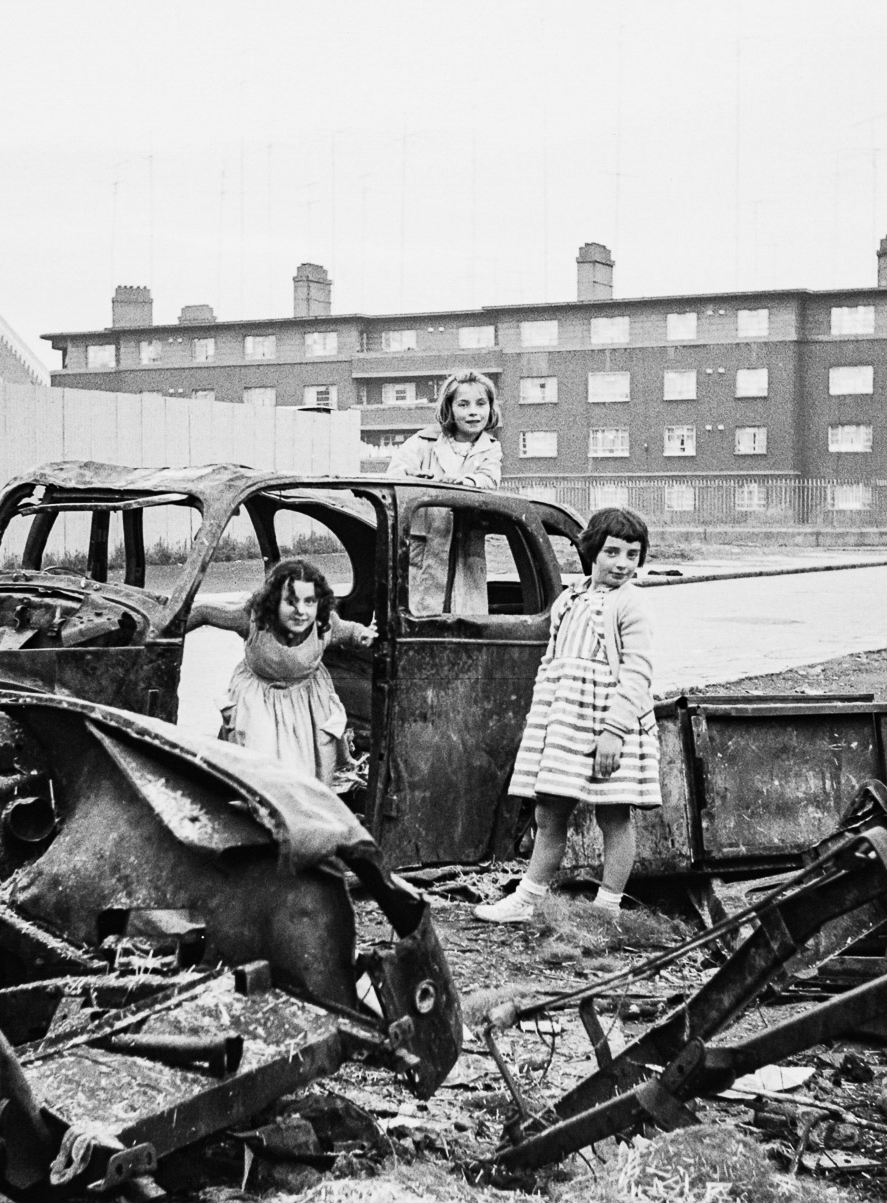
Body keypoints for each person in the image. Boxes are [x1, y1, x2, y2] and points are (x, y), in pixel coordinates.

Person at [476, 507, 658, 922]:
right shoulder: (569, 600)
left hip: (610, 721)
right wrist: (541, 719)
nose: (622, 563)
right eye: (612, 552)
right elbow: (551, 661)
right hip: (566, 719)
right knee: (549, 808)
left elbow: (638, 673)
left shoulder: (631, 604)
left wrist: (614, 730)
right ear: (591, 550)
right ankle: (528, 898)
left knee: (613, 812)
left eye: (632, 555)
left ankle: (607, 907)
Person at [188, 557, 375, 786]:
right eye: (291, 602)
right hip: (259, 698)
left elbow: (346, 630)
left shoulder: (323, 623)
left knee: (311, 767)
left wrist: (361, 634)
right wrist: (166, 631)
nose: (300, 611)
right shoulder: (253, 619)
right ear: (275, 601)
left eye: (309, 602)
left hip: (306, 701)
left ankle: (306, 811)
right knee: (258, 762)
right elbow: (204, 613)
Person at [389, 369, 502, 615]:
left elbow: (490, 478)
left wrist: (466, 483)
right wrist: (413, 478)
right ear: (449, 408)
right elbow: (395, 474)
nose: (473, 411)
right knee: (421, 611)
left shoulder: (490, 448)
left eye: (481, 403)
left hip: (464, 546)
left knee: (464, 616)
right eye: (463, 404)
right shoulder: (424, 442)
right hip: (425, 544)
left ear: (491, 408)